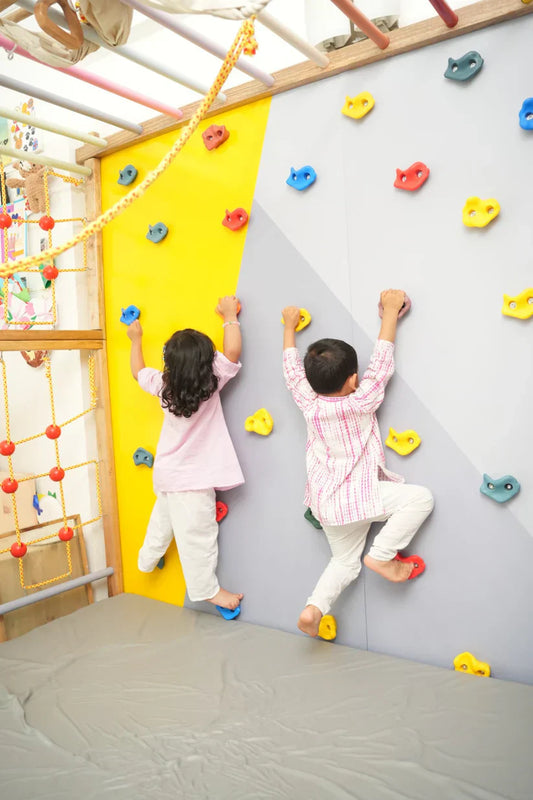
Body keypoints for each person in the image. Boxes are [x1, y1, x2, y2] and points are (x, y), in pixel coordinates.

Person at [282, 291, 434, 637]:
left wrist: (289, 328)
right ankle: (382, 554)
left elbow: (291, 373)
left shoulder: (308, 403)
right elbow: (382, 364)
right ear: (353, 379)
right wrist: (391, 313)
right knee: (421, 498)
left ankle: (313, 608)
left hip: (326, 507)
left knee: (344, 562)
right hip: (360, 498)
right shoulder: (363, 400)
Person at [127, 296, 243, 611]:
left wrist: (135, 339)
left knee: (162, 521)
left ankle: (147, 560)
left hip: (167, 473)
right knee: (198, 537)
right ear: (206, 362)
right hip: (193, 481)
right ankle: (206, 589)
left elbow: (138, 372)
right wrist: (230, 315)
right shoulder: (211, 382)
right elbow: (232, 351)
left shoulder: (164, 387)